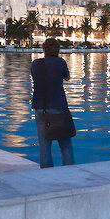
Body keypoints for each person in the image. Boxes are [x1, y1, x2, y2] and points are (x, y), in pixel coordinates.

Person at [31, 38, 75, 168]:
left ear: (43, 49)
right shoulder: (60, 62)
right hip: (58, 107)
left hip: (40, 107)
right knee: (65, 144)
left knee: (44, 146)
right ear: (57, 49)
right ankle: (70, 172)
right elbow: (67, 78)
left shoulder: (35, 64)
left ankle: (46, 173)